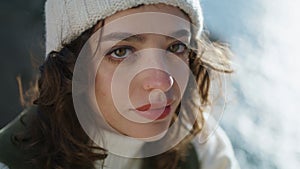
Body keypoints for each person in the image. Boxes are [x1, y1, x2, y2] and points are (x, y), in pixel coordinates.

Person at [0, 0, 240, 169]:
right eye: (122, 52)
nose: (162, 82)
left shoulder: (204, 149)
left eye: (176, 47)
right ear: (70, 67)